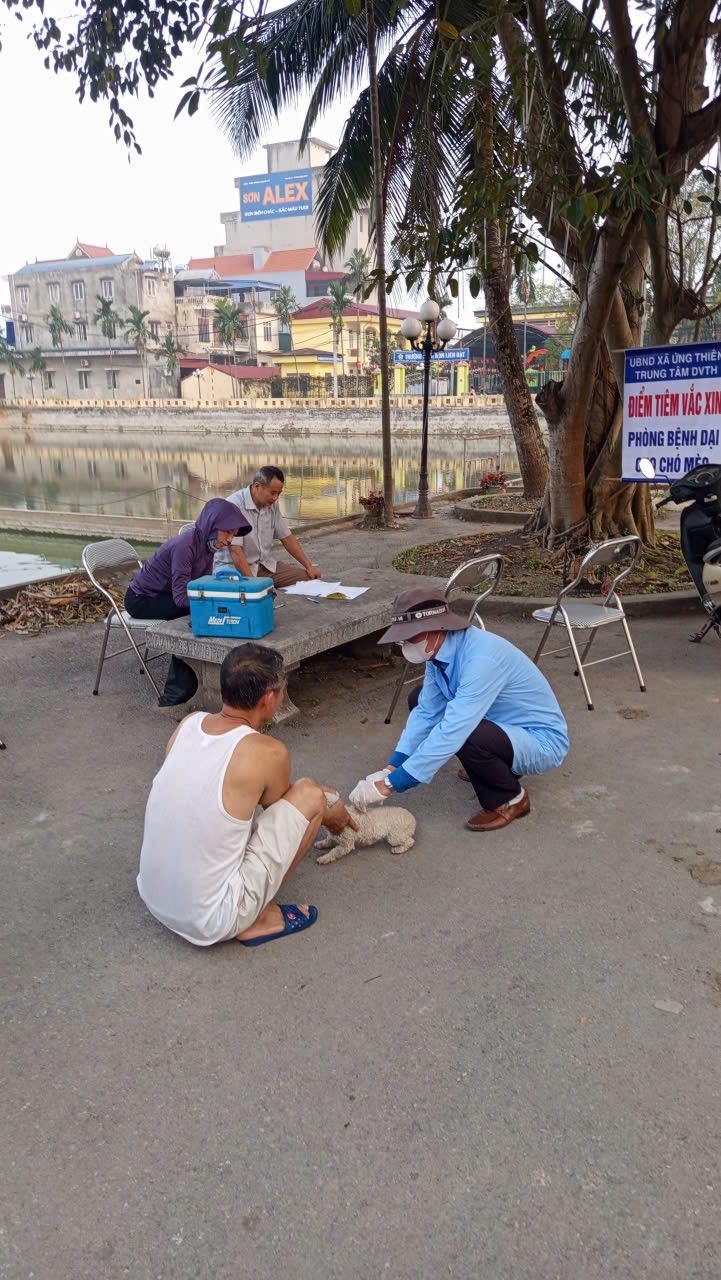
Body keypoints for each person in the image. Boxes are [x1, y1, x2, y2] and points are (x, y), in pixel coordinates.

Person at [137, 642, 357, 947]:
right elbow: (286, 809)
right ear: (269, 698)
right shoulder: (268, 751)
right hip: (211, 919)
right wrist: (329, 805)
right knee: (310, 795)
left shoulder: (190, 724)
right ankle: (255, 918)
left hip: (154, 895)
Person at [350, 587, 569, 832]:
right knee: (419, 699)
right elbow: (427, 711)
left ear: (434, 629)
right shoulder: (439, 651)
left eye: (409, 637)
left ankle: (511, 799)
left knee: (466, 735)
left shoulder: (482, 660)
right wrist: (392, 766)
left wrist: (392, 785)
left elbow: (454, 729)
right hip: (498, 724)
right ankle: (495, 767)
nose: (404, 645)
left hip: (541, 740)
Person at [125, 497, 250, 706]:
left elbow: (200, 586)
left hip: (164, 596)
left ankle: (204, 674)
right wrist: (214, 604)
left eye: (234, 535)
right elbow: (182, 597)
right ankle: (178, 690)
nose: (230, 540)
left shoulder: (208, 547)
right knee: (193, 616)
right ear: (211, 525)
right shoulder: (186, 545)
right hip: (142, 599)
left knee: (207, 612)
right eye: (227, 532)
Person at [218, 465, 322, 587]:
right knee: (254, 594)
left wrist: (309, 566)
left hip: (263, 566)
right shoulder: (234, 505)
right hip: (236, 570)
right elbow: (235, 550)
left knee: (310, 578)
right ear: (257, 486)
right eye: (272, 493)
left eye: (278, 493)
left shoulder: (272, 504)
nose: (275, 498)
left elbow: (287, 537)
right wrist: (253, 585)